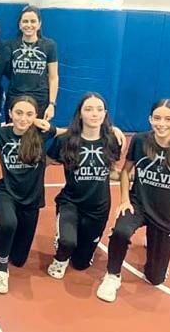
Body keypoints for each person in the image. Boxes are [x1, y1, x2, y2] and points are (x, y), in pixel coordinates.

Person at [97, 99, 170, 303]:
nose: (161, 124)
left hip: (165, 213)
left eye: (168, 119)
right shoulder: (140, 140)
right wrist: (125, 199)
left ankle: (153, 238)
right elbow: (125, 171)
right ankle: (112, 275)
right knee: (120, 231)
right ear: (150, 119)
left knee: (155, 278)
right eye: (157, 118)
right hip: (138, 204)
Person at [46, 93, 121, 280]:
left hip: (98, 208)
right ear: (80, 114)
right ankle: (60, 257)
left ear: (105, 113)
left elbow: (111, 171)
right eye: (88, 109)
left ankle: (81, 249)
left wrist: (131, 178)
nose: (94, 114)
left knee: (81, 264)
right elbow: (43, 164)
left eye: (99, 109)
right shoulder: (64, 141)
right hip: (71, 203)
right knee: (67, 243)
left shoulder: (112, 140)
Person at [0, 95, 58, 293]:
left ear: (36, 116)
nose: (23, 118)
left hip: (31, 199)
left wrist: (111, 129)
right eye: (18, 113)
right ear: (10, 113)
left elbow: (73, 132)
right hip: (6, 192)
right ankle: (0, 269)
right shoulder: (1, 133)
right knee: (9, 223)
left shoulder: (42, 133)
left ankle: (5, 225)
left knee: (19, 260)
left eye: (29, 114)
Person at [7, 5, 58, 120]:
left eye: (33, 21)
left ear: (39, 24)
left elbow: (53, 77)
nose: (29, 25)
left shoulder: (49, 45)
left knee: (37, 132)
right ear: (20, 25)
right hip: (15, 99)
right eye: (25, 21)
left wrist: (51, 104)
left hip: (40, 100)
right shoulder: (10, 45)